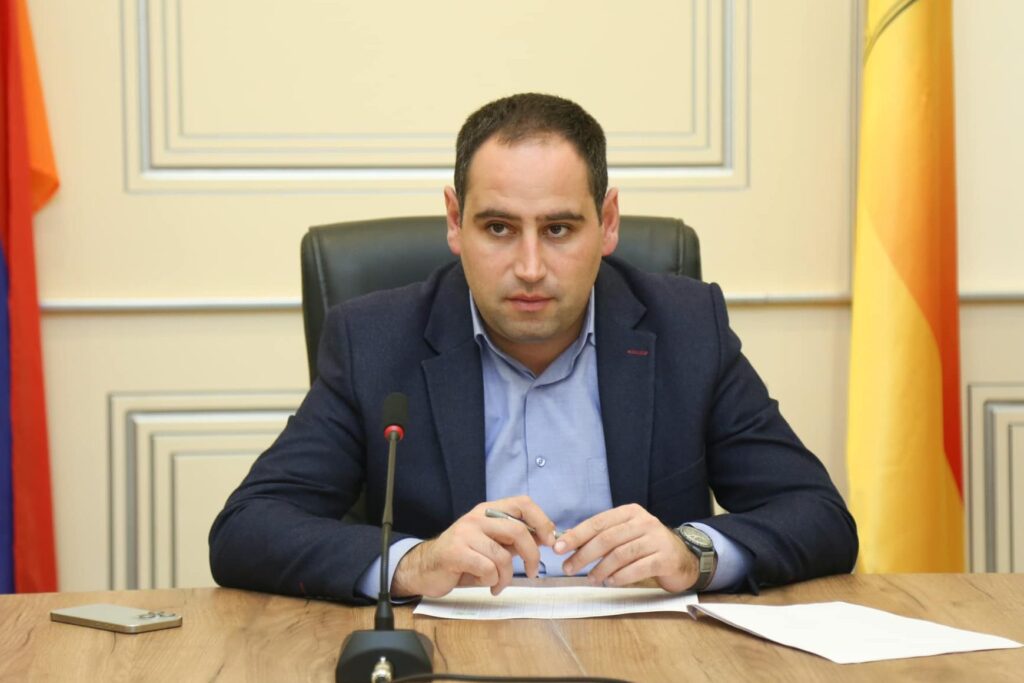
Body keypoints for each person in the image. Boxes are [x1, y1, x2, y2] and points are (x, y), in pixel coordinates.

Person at [209, 93, 857, 603]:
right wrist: (415, 562)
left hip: (646, 655)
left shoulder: (686, 329)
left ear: (607, 223)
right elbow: (248, 527)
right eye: (498, 227)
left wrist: (695, 554)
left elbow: (819, 516)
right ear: (454, 222)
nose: (529, 267)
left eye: (558, 229)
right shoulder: (374, 341)